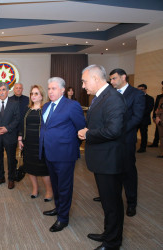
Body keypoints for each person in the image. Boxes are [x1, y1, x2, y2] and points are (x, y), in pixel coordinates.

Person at [78, 64, 126, 250]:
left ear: (96, 79)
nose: (83, 86)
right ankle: (109, 233)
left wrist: (88, 134)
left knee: (112, 203)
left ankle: (113, 242)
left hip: (110, 160)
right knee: (107, 202)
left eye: (84, 81)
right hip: (101, 159)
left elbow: (114, 130)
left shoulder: (113, 98)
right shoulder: (100, 97)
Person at [39, 77, 85, 232]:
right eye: (49, 88)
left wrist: (70, 147)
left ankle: (63, 219)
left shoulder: (72, 106)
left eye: (54, 88)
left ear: (62, 90)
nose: (50, 91)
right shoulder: (46, 106)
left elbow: (81, 130)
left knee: (64, 187)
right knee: (56, 185)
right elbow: (46, 128)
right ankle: (59, 209)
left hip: (65, 154)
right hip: (49, 153)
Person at [108, 68, 144, 217]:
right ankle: (112, 196)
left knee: (128, 171)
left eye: (114, 78)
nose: (112, 82)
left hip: (126, 139)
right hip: (110, 140)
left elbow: (137, 117)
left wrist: (119, 130)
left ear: (124, 77)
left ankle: (131, 202)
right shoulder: (111, 94)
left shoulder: (137, 94)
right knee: (112, 170)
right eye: (111, 79)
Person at [18, 85, 53, 201]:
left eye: (36, 93)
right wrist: (20, 138)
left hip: (41, 143)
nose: (33, 96)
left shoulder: (46, 108)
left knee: (43, 169)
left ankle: (49, 191)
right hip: (28, 143)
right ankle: (35, 188)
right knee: (30, 167)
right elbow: (22, 125)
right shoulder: (27, 109)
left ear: (42, 96)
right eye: (32, 93)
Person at [0, 82, 20, 189]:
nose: (1, 92)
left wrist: (7, 128)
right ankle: (0, 177)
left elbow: (17, 119)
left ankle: (11, 179)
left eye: (3, 90)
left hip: (9, 136)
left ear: (7, 91)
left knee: (11, 159)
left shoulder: (14, 103)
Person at [136, 84, 154, 153]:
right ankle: (131, 146)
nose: (139, 91)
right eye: (138, 90)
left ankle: (143, 148)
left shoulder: (150, 98)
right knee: (133, 134)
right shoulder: (135, 97)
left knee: (143, 135)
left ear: (145, 89)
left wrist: (138, 115)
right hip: (135, 120)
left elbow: (149, 109)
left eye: (141, 89)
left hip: (144, 120)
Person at [149, 82, 163, 147]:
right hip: (159, 117)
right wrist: (154, 116)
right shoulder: (159, 97)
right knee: (158, 132)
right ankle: (155, 143)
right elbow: (156, 107)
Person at [155, 87, 163, 158]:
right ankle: (162, 152)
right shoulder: (161, 99)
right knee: (161, 136)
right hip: (161, 120)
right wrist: (157, 116)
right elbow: (159, 108)